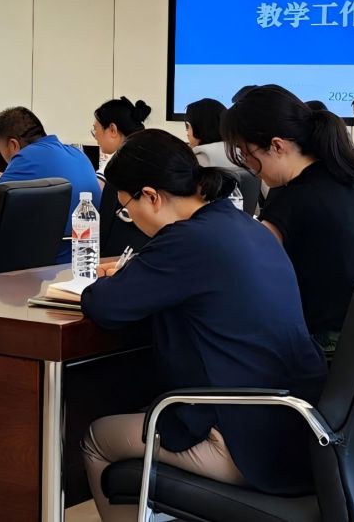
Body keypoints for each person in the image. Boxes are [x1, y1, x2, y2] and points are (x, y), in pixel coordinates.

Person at [79, 131, 328, 520]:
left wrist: (124, 277)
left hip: (245, 444)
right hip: (301, 430)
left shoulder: (186, 240)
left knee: (97, 438)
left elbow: (103, 305)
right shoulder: (244, 225)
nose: (130, 219)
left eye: (126, 208)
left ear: (151, 196)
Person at [222, 85, 354, 353]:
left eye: (247, 154)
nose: (249, 167)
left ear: (276, 145)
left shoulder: (290, 198)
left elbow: (248, 271)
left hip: (322, 347)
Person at [0, 107, 99, 211]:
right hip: (83, 247)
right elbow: (45, 181)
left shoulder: (27, 156)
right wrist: (2, 178)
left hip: (47, 251)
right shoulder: (77, 153)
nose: (0, 152)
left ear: (13, 145)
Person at [90, 97, 151, 178]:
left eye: (95, 129)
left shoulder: (115, 170)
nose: (95, 136)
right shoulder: (146, 159)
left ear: (113, 130)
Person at [184, 98, 233, 171]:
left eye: (187, 126)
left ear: (199, 128)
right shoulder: (240, 154)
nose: (187, 134)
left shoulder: (196, 160)